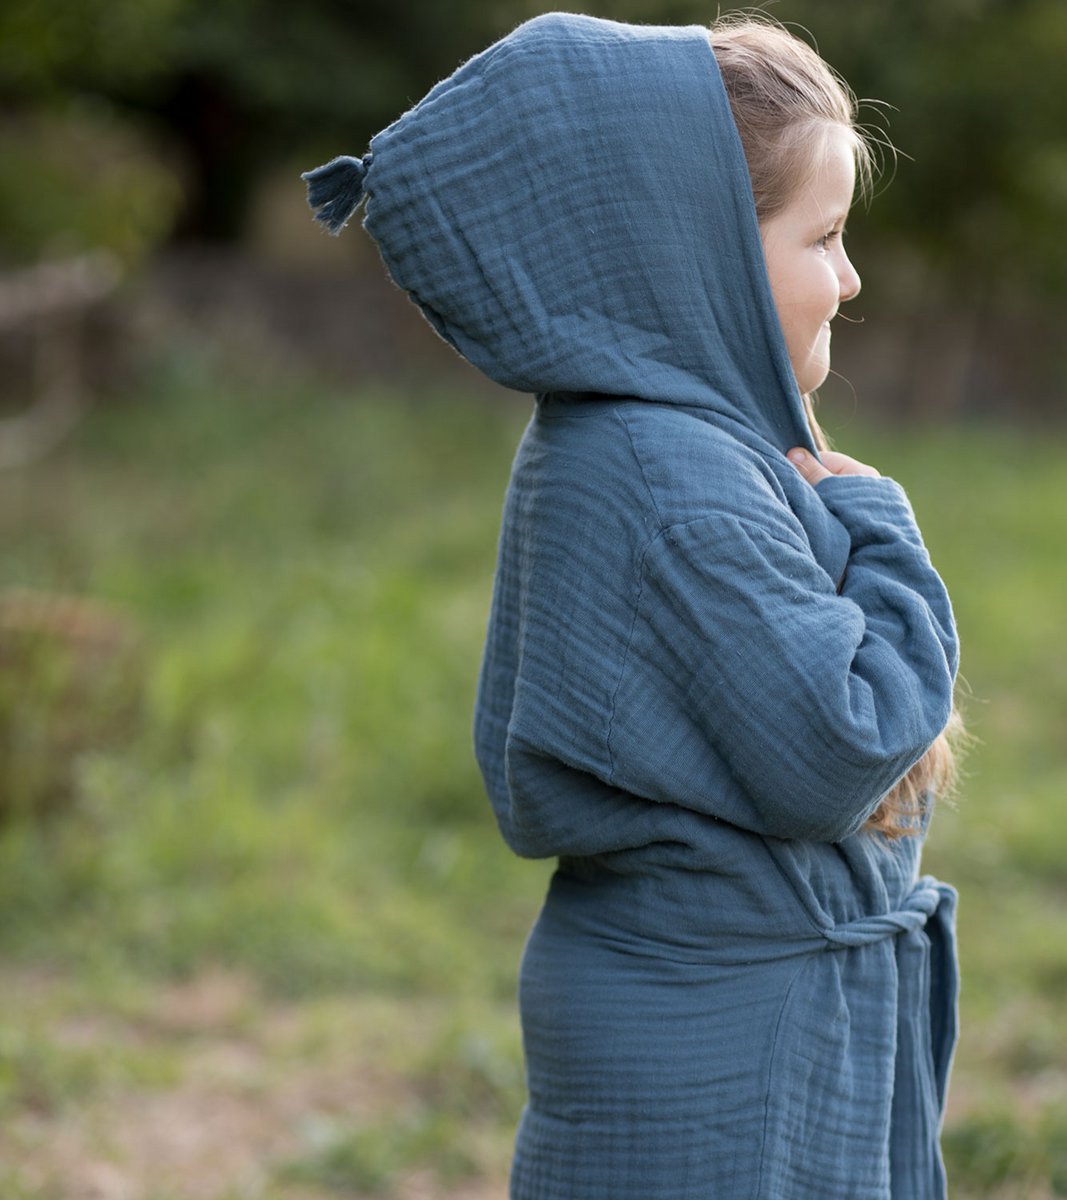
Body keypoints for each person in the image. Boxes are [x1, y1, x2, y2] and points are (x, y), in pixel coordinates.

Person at [303, 11, 962, 1198]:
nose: (851, 278)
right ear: (698, 247)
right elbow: (842, 742)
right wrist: (885, 535)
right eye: (823, 238)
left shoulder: (678, 444)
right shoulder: (673, 475)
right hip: (721, 1038)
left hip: (735, 998)